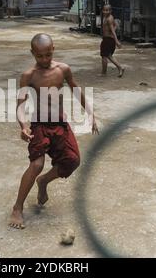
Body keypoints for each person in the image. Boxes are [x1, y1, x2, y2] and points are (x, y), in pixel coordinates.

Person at [9, 34, 99, 229]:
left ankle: (44, 182)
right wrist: (23, 126)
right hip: (40, 124)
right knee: (36, 164)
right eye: (39, 56)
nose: (44, 60)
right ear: (32, 53)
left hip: (59, 122)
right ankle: (17, 207)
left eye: (48, 55)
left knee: (72, 160)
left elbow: (76, 89)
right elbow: (20, 106)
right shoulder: (29, 75)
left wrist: (91, 113)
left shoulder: (63, 69)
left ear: (53, 49)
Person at [100, 4, 124, 77]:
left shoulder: (109, 19)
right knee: (107, 55)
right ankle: (119, 68)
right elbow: (115, 25)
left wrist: (116, 41)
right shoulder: (108, 17)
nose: (105, 12)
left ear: (110, 11)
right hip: (107, 39)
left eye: (107, 10)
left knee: (105, 56)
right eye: (104, 10)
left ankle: (118, 68)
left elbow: (113, 30)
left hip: (108, 39)